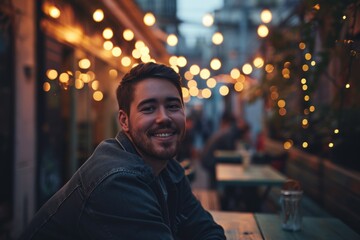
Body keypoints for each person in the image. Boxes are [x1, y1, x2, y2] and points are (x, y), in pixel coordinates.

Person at [19, 62, 225, 239]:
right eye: (149, 108)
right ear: (124, 121)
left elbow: (207, 230)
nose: (164, 118)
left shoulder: (168, 167)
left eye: (173, 106)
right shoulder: (117, 182)